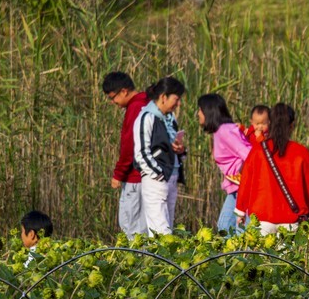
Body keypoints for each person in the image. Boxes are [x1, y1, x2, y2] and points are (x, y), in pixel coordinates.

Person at [235, 103, 309, 233]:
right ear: (292, 126)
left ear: (270, 123)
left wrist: (240, 211)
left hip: (261, 219)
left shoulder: (258, 150)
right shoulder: (301, 152)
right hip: (292, 221)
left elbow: (245, 181)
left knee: (261, 254)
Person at [133, 76, 187, 236]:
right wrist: (158, 174)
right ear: (164, 97)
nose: (178, 104)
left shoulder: (169, 119)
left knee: (167, 226)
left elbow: (167, 148)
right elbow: (141, 152)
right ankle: (160, 260)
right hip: (157, 179)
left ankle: (163, 259)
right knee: (160, 230)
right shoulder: (146, 117)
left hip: (171, 175)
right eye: (176, 99)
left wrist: (180, 150)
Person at [103, 71, 150, 238]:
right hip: (149, 176)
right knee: (145, 227)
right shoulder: (148, 102)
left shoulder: (135, 108)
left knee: (131, 227)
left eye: (112, 97)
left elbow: (129, 145)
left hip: (135, 176)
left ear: (124, 91)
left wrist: (118, 174)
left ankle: (135, 263)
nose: (113, 102)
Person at [197, 93, 253, 234]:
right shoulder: (222, 130)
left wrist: (241, 172)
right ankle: (233, 255)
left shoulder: (225, 131)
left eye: (200, 110)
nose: (198, 114)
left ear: (209, 111)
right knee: (225, 227)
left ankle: (241, 255)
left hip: (243, 187)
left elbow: (250, 155)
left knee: (232, 228)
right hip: (236, 188)